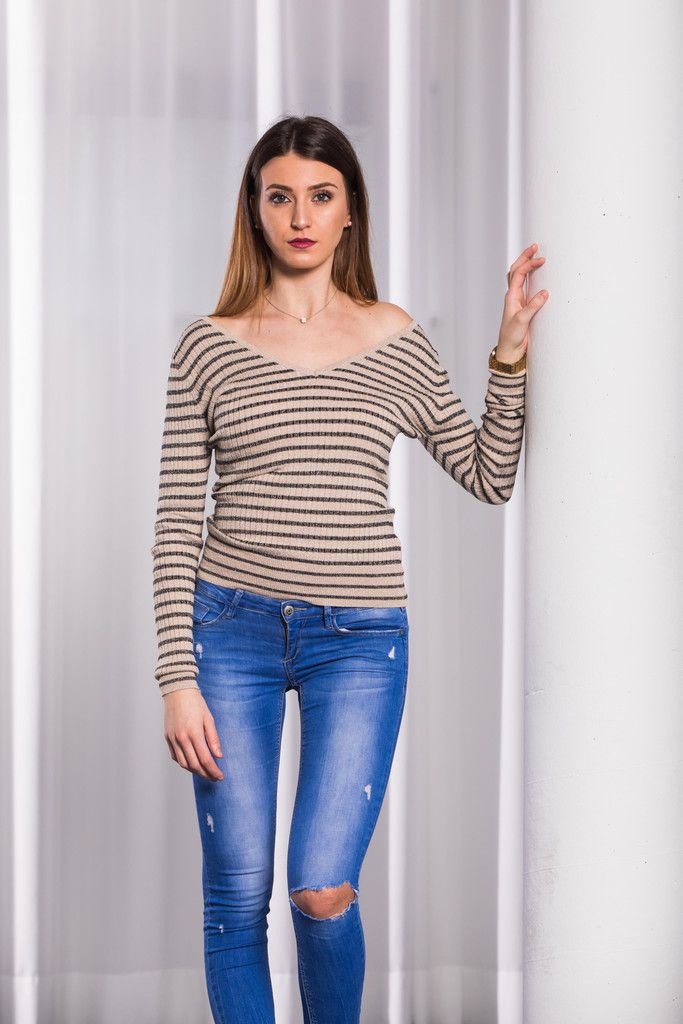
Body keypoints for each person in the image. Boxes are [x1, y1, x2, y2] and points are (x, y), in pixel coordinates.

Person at [150, 114, 547, 1024]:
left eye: (320, 196)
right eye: (280, 196)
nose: (301, 217)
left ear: (349, 211)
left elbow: (487, 474)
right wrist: (177, 678)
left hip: (359, 640)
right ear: (254, 211)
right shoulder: (206, 345)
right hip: (229, 632)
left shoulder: (391, 337)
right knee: (235, 895)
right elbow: (174, 522)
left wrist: (508, 353)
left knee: (321, 886)